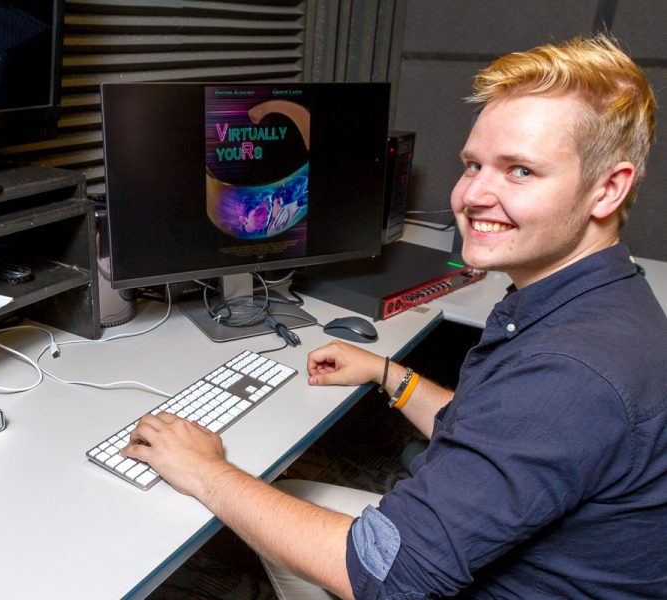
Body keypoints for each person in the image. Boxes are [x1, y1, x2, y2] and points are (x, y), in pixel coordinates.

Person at [122, 33, 666, 599]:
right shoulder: (603, 303)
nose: (473, 195)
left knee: (263, 502)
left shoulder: (570, 371)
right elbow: (500, 433)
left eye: (520, 171)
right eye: (473, 164)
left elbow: (385, 576)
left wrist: (205, 469)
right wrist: (390, 375)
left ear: (608, 189)